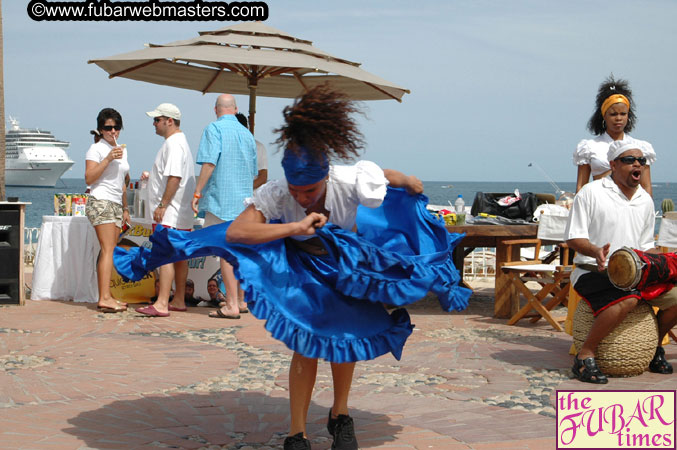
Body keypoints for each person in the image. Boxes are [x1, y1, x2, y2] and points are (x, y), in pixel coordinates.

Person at [114, 86, 470, 449]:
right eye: (297, 190)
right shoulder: (279, 192)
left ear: (327, 176)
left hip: (345, 268)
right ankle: (296, 434)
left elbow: (387, 176)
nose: (302, 196)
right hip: (301, 268)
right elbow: (239, 230)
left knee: (346, 338)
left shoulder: (348, 180)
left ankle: (340, 416)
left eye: (311, 190)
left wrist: (410, 182)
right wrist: (295, 226)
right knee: (307, 346)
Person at [565, 139, 677, 384]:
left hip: (636, 274)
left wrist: (664, 261)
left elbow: (646, 245)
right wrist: (595, 250)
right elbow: (573, 237)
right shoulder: (591, 193)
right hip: (591, 270)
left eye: (641, 161)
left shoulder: (645, 201)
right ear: (613, 165)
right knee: (627, 298)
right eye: (629, 160)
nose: (637, 164)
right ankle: (585, 356)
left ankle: (653, 347)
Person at [191, 94, 257, 319]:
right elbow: (254, 172)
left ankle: (230, 305)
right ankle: (241, 299)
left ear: (215, 109)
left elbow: (209, 162)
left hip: (222, 200)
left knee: (226, 253)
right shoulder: (247, 135)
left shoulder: (213, 129)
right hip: (245, 203)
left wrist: (198, 190)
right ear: (236, 109)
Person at [135, 103, 196, 317]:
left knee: (165, 255)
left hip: (171, 212)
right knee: (179, 256)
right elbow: (173, 176)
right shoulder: (181, 142)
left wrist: (162, 204)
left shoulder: (173, 144)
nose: (154, 123)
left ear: (169, 121)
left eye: (157, 119)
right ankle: (178, 298)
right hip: (181, 212)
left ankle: (162, 302)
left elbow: (175, 176)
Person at [574, 75, 656, 196]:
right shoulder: (589, 147)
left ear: (628, 116)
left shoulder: (640, 147)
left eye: (623, 114)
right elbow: (581, 186)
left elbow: (646, 186)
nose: (618, 118)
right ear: (604, 116)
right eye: (613, 114)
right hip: (599, 204)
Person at [84, 108, 129, 313]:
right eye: (108, 128)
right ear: (100, 129)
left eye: (116, 127)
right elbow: (89, 178)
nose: (113, 131)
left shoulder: (122, 149)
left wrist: (126, 207)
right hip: (101, 201)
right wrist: (109, 158)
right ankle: (103, 297)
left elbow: (122, 182)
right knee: (108, 248)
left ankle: (107, 295)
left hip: (115, 203)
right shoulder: (97, 149)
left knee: (108, 249)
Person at [236, 112, 268, 189]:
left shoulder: (258, 147)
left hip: (250, 197)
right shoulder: (224, 147)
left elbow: (263, 177)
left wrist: (244, 189)